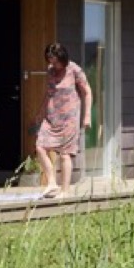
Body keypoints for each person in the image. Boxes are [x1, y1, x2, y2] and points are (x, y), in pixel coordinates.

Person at [35, 42, 93, 198]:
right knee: (40, 146)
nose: (52, 63)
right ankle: (52, 182)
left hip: (69, 118)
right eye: (50, 60)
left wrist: (87, 116)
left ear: (63, 58)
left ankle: (65, 191)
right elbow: (49, 93)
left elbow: (87, 92)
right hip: (51, 116)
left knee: (65, 154)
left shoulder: (75, 70)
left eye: (55, 60)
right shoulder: (50, 72)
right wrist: (41, 111)